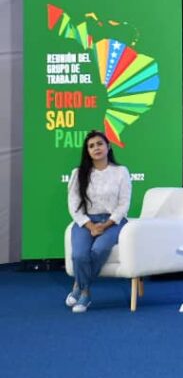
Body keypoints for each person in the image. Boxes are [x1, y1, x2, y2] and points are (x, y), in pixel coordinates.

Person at [66, 129, 132, 313]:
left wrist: (107, 224)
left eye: (100, 144)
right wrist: (90, 225)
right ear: (87, 151)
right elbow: (74, 204)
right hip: (85, 221)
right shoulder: (78, 173)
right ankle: (82, 286)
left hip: (113, 221)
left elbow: (124, 203)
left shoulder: (121, 172)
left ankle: (82, 290)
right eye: (91, 146)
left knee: (99, 249)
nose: (96, 148)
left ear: (108, 147)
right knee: (79, 255)